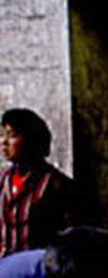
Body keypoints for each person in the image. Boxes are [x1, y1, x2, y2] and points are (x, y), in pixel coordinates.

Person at [0, 107, 84, 257]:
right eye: (2, 135)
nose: (4, 142)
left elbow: (72, 235)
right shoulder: (3, 181)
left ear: (31, 139)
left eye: (12, 135)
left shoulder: (55, 184)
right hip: (6, 270)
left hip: (40, 269)